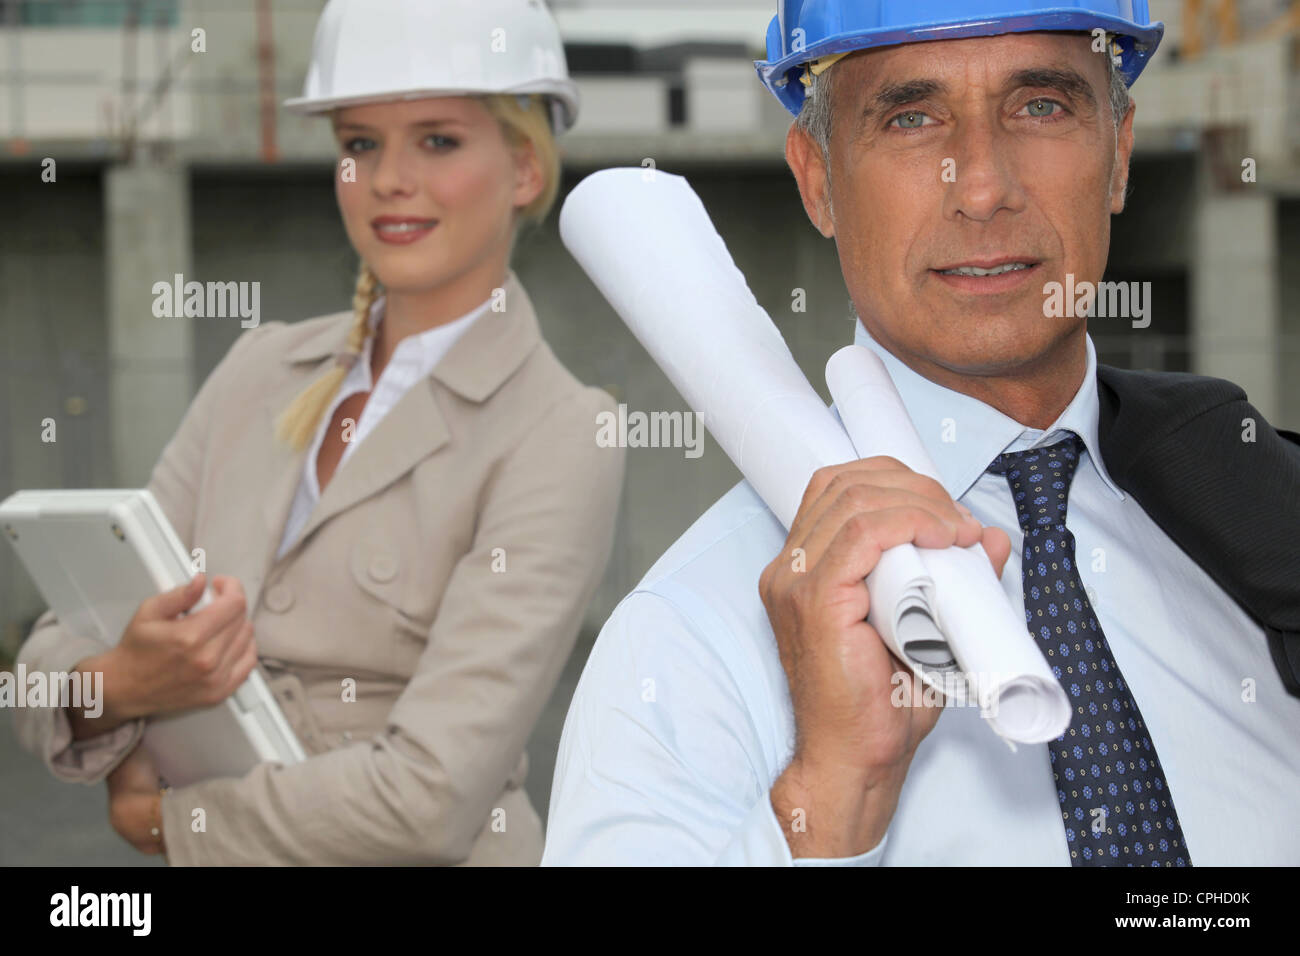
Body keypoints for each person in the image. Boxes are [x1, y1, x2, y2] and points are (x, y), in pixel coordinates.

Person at [542, 0, 1300, 865]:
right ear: (817, 178)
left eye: (1041, 105)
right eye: (911, 117)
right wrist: (830, 802)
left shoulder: (1259, 525)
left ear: (1119, 154)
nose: (980, 187)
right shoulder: (685, 640)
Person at [14, 0, 624, 865]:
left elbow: (430, 798)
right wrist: (122, 683)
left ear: (525, 167)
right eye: (359, 143)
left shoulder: (563, 432)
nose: (388, 180)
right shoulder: (256, 372)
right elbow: (46, 658)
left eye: (438, 140)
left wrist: (169, 822)